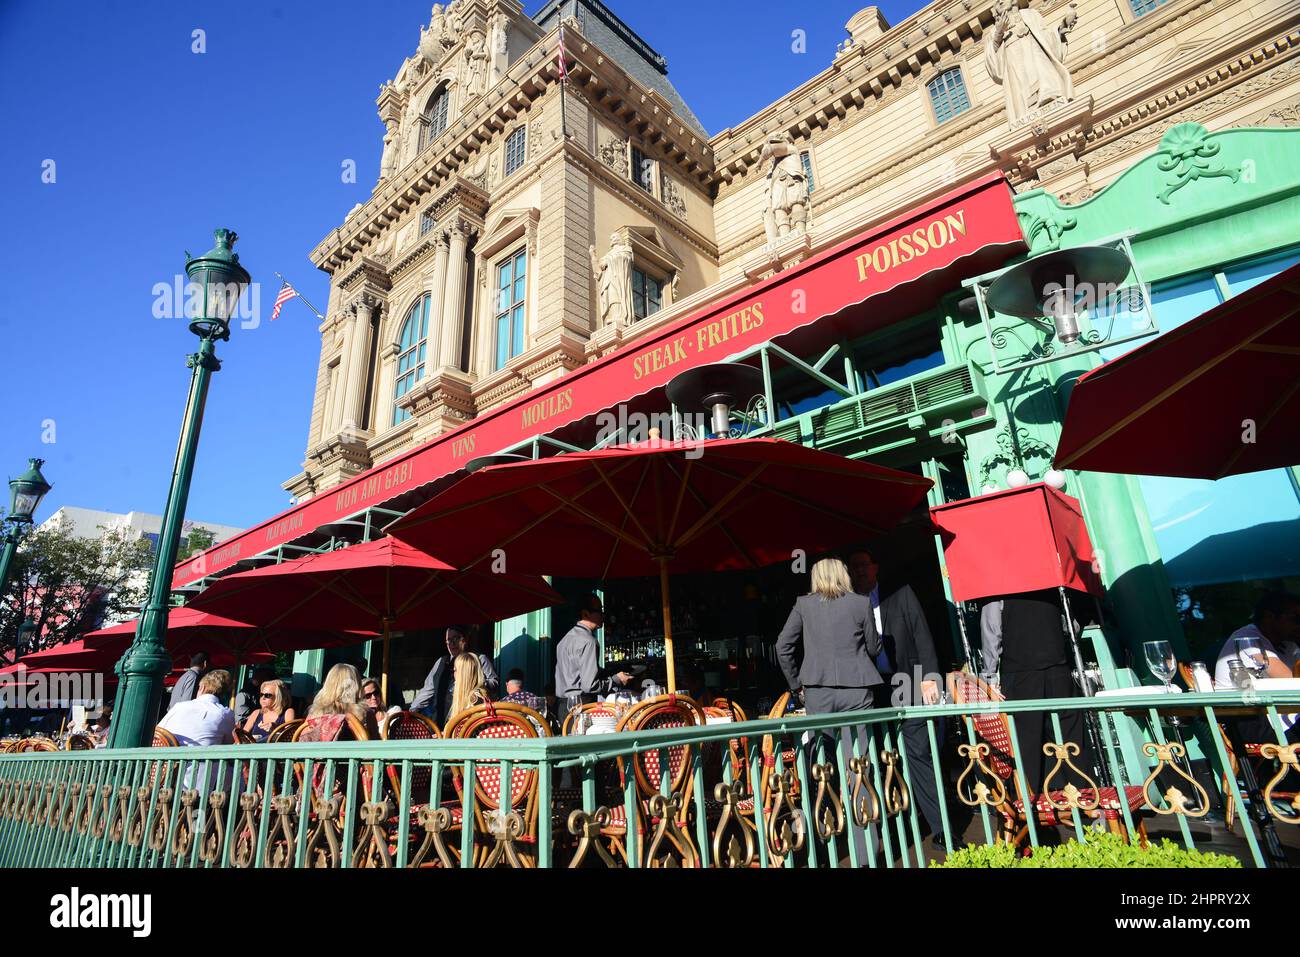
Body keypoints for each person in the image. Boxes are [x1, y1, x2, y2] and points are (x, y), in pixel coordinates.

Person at [848, 548, 950, 849]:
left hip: (909, 682)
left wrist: (931, 676)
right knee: (879, 760)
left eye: (863, 565)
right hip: (873, 692)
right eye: (853, 567)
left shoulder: (902, 594)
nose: (859, 572)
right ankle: (894, 832)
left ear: (876, 567)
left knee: (919, 754)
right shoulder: (849, 605)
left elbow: (922, 634)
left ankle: (942, 827)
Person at [980, 589, 1088, 803]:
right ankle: (1085, 804)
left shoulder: (996, 589)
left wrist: (989, 678)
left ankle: (1031, 808)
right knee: (1070, 739)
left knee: (1026, 744)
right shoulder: (1051, 585)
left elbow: (992, 634)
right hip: (1058, 669)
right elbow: (1071, 627)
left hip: (1021, 675)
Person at [776, 557, 881, 716]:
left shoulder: (803, 604)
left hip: (817, 688)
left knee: (821, 741)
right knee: (859, 741)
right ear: (844, 575)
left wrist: (796, 684)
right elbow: (874, 649)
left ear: (816, 576)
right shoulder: (862, 603)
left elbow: (782, 647)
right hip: (857, 686)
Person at [1214, 591, 1300, 743]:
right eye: (1296, 618)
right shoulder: (1247, 639)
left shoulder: (1287, 644)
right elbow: (1290, 680)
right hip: (1250, 719)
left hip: (1277, 716)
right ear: (1269, 617)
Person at [554, 594, 632, 720]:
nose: (603, 615)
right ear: (585, 613)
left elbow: (575, 672)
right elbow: (589, 685)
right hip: (581, 707)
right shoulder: (589, 641)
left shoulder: (564, 640)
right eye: (599, 611)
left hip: (563, 707)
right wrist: (616, 679)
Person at [410, 625, 500, 727]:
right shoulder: (441, 662)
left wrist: (474, 682)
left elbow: (494, 682)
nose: (451, 643)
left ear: (465, 639)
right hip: (439, 722)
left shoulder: (479, 659)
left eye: (455, 638)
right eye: (448, 640)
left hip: (468, 721)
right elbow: (427, 689)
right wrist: (412, 710)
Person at [158, 669, 237, 746]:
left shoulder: (179, 707)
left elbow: (157, 733)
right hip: (200, 758)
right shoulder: (225, 714)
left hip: (163, 758)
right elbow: (228, 744)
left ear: (202, 688)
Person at [301, 663, 379, 741]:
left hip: (318, 753)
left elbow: (301, 741)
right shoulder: (365, 713)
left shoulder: (315, 713)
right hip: (353, 752)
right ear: (357, 685)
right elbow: (376, 744)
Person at [243, 678, 294, 743]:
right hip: (254, 751)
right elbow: (242, 736)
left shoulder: (288, 712)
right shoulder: (257, 713)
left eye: (267, 695)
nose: (263, 698)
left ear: (279, 697)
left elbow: (290, 738)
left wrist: (275, 730)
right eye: (261, 694)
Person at [447, 653, 490, 721]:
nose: (453, 674)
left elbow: (466, 729)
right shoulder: (478, 695)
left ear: (462, 674)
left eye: (455, 670)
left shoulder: (473, 699)